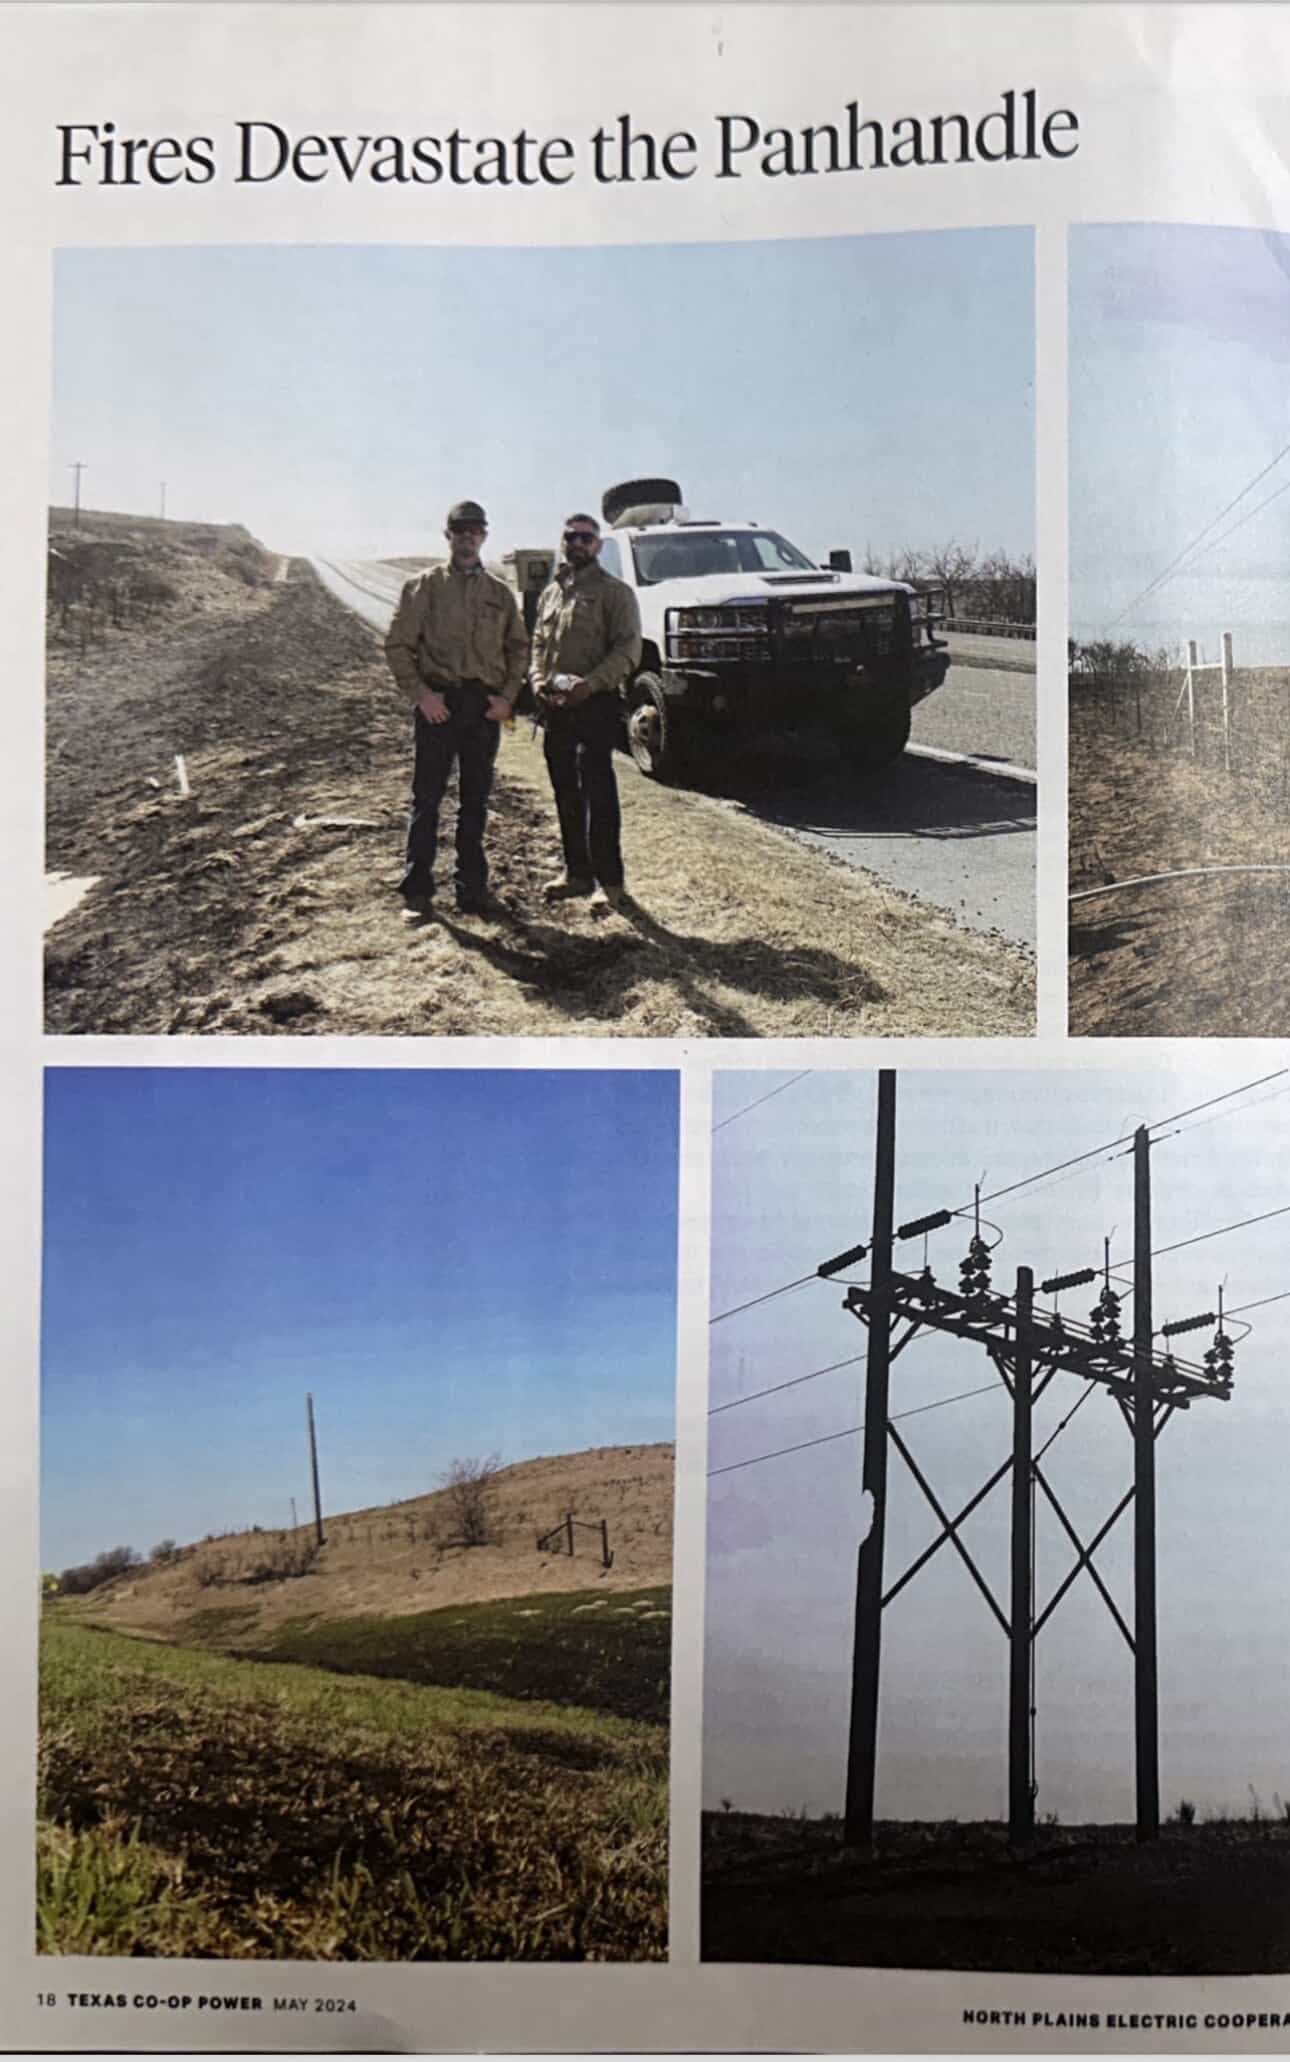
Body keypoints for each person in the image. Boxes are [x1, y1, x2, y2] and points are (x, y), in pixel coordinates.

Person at [383, 499, 528, 916]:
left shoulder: (500, 594)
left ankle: (472, 890)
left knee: (476, 800)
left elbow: (519, 649)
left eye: (475, 530)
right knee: (427, 799)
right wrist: (422, 696)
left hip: (482, 709)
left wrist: (507, 698)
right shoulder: (423, 587)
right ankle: (417, 892)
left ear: (484, 535)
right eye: (460, 530)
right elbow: (397, 645)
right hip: (439, 705)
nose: (468, 537)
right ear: (447, 536)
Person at [531, 512, 642, 912]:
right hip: (555, 707)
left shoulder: (616, 593)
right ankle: (577, 873)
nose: (577, 543)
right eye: (570, 536)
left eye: (585, 537)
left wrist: (589, 685)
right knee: (565, 790)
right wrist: (537, 681)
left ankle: (609, 882)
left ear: (597, 545)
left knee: (598, 792)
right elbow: (539, 644)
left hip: (594, 705)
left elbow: (628, 651)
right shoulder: (552, 593)